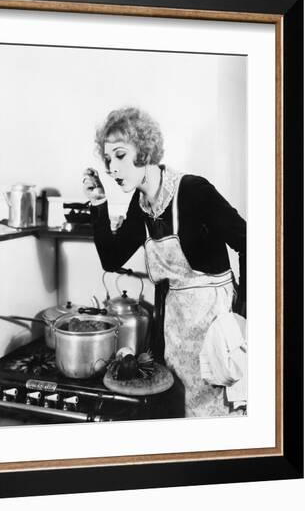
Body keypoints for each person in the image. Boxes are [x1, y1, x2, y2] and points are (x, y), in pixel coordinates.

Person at [83, 107, 246, 417]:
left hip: (215, 327)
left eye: (120, 155)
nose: (112, 168)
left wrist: (242, 317)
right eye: (107, 160)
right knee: (180, 409)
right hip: (175, 329)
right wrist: (99, 204)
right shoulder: (142, 202)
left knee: (215, 415)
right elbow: (111, 258)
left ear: (144, 151)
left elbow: (250, 242)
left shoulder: (193, 191)